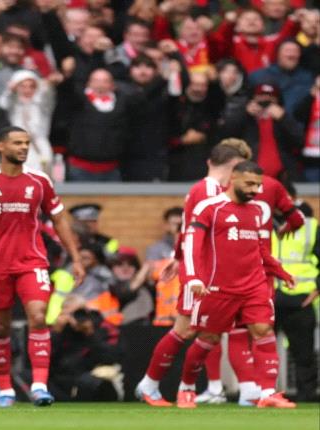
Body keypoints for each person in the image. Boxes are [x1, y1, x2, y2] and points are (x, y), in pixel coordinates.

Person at [0, 126, 85, 408]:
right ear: (1, 146)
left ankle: (39, 386)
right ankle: (5, 390)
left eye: (26, 143)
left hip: (32, 261)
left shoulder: (40, 181)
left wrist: (76, 258)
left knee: (38, 316)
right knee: (0, 327)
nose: (24, 148)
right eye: (17, 143)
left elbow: (60, 220)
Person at [135, 140, 248, 406]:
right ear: (233, 165)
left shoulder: (205, 189)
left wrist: (176, 257)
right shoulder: (209, 191)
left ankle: (194, 388)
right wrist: (189, 267)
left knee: (209, 332)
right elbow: (198, 234)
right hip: (201, 273)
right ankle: (152, 384)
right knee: (185, 330)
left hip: (207, 271)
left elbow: (187, 230)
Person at [178, 161, 296, 409]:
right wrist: (193, 278)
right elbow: (192, 244)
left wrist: (279, 271)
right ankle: (186, 387)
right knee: (208, 338)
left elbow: (259, 248)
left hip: (253, 285)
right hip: (217, 288)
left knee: (263, 330)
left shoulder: (256, 211)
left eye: (258, 185)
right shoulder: (210, 207)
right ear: (233, 178)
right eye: (250, 183)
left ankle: (268, 393)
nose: (255, 190)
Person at [272, 202, 319, 402]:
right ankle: (259, 394)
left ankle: (306, 396)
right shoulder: (261, 221)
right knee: (259, 348)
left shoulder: (310, 226)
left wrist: (318, 288)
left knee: (304, 353)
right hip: (268, 298)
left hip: (301, 299)